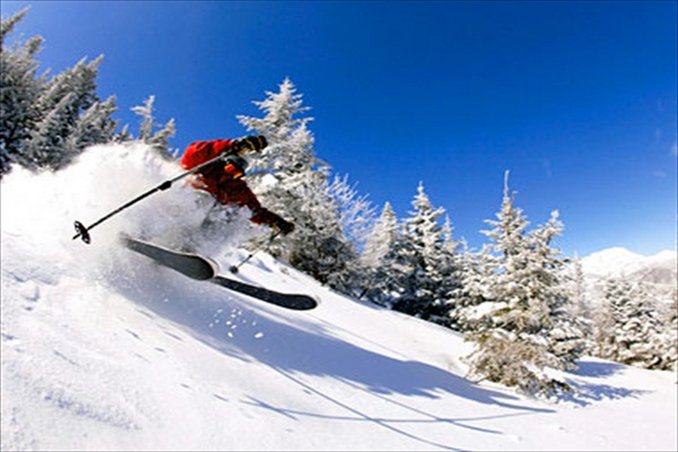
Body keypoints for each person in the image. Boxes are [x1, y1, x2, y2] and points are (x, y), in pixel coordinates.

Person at [179, 135, 295, 236]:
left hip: (202, 223)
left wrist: (276, 221)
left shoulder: (236, 187)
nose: (234, 173)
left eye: (240, 171)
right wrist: (233, 145)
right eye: (233, 167)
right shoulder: (205, 165)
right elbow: (194, 151)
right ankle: (178, 231)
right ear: (226, 162)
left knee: (232, 217)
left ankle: (195, 249)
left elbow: (255, 210)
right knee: (205, 198)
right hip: (181, 205)